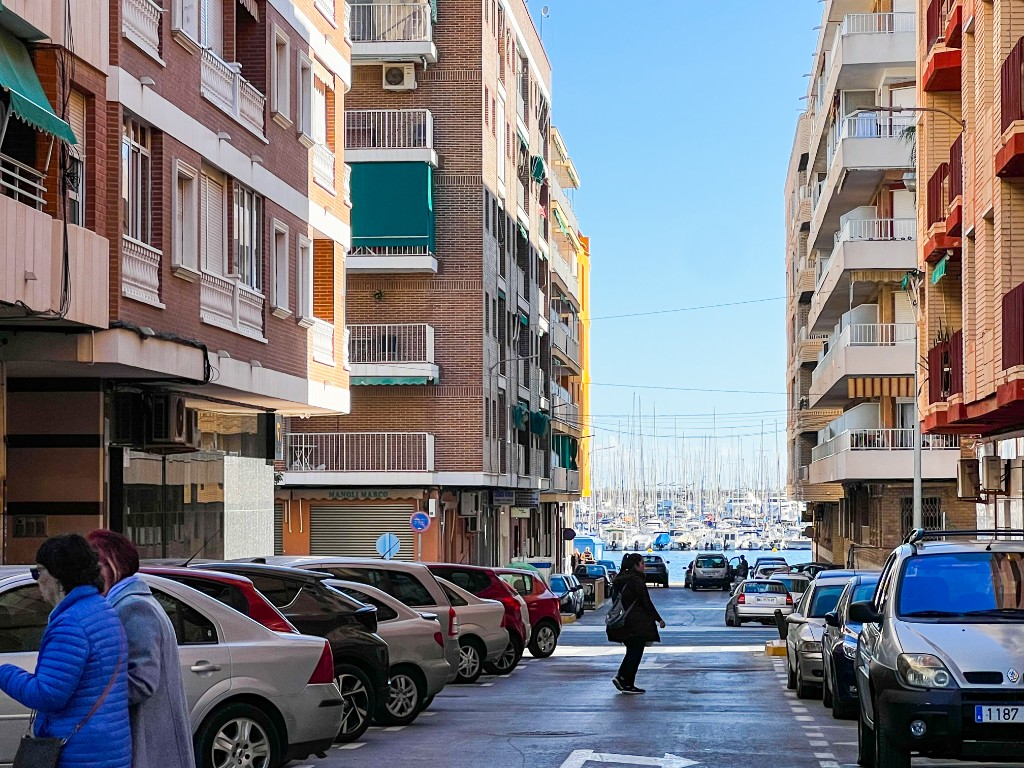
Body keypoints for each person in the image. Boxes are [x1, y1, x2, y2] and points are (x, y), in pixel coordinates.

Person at [0, 534, 131, 768]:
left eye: (39, 571)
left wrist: (3, 672)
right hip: (109, 748)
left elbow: (47, 696)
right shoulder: (102, 610)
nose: (37, 580)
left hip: (78, 755)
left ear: (59, 576)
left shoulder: (71, 624)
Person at [87, 530, 196, 768]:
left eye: (94, 566)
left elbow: (142, 682)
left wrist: (90, 692)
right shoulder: (129, 602)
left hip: (148, 744)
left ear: (112, 566)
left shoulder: (133, 607)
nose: (89, 576)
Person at [606, 552, 665, 694]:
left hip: (624, 621)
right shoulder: (636, 581)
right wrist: (659, 619)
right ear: (635, 565)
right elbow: (646, 602)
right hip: (637, 622)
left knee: (631, 651)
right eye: (642, 563)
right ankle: (626, 682)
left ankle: (622, 678)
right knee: (635, 653)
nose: (644, 566)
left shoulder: (620, 579)